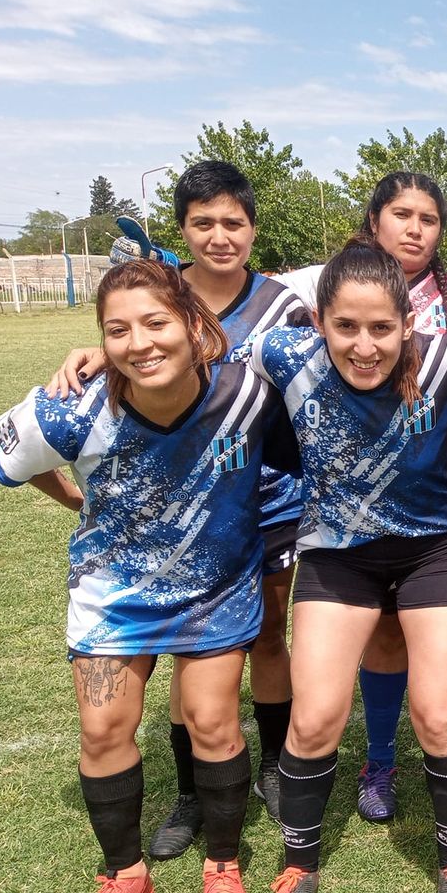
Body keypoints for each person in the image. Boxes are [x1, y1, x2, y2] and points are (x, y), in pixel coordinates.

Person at [0, 259, 294, 893]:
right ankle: (124, 874)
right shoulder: (76, 403)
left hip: (213, 583)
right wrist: (72, 496)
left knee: (213, 720)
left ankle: (223, 864)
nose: (140, 342)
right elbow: (10, 454)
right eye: (118, 329)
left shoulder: (247, 392)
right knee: (102, 730)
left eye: (156, 322)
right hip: (114, 591)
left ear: (192, 324)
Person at [48, 161, 314, 852]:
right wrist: (97, 354)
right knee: (179, 645)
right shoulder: (157, 301)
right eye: (204, 223)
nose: (220, 236)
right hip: (172, 511)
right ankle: (192, 792)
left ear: (253, 228)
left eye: (233, 222)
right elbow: (132, 358)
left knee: (266, 631)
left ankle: (276, 769)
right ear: (184, 230)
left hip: (266, 496)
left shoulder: (286, 305)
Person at [253, 239, 447, 893]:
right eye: (346, 327)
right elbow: (189, 352)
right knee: (315, 717)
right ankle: (298, 863)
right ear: (318, 323)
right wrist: (94, 358)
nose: (365, 346)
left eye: (382, 328)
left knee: (439, 712)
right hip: (338, 555)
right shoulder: (282, 355)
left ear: (408, 324)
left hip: (435, 553)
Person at [278, 172, 447, 816]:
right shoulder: (320, 292)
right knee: (383, 636)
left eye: (429, 218)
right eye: (402, 214)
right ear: (375, 221)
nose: (415, 228)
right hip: (358, 512)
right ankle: (379, 762)